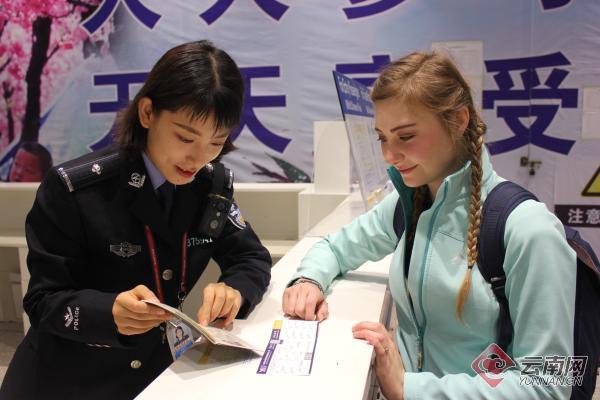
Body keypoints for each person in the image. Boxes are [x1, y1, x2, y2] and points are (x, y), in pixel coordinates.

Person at [282, 52, 576, 399]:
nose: (389, 155)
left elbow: (549, 384)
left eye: (405, 136)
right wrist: (308, 280)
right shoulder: (409, 203)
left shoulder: (528, 229)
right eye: (382, 138)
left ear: (459, 120)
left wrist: (412, 388)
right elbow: (335, 247)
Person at [0, 40, 272, 400]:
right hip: (66, 381)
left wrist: (233, 290)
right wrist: (107, 312)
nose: (198, 158)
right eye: (185, 137)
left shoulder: (210, 187)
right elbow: (42, 301)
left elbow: (250, 257)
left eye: (216, 142)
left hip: (156, 378)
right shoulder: (76, 190)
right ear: (147, 113)